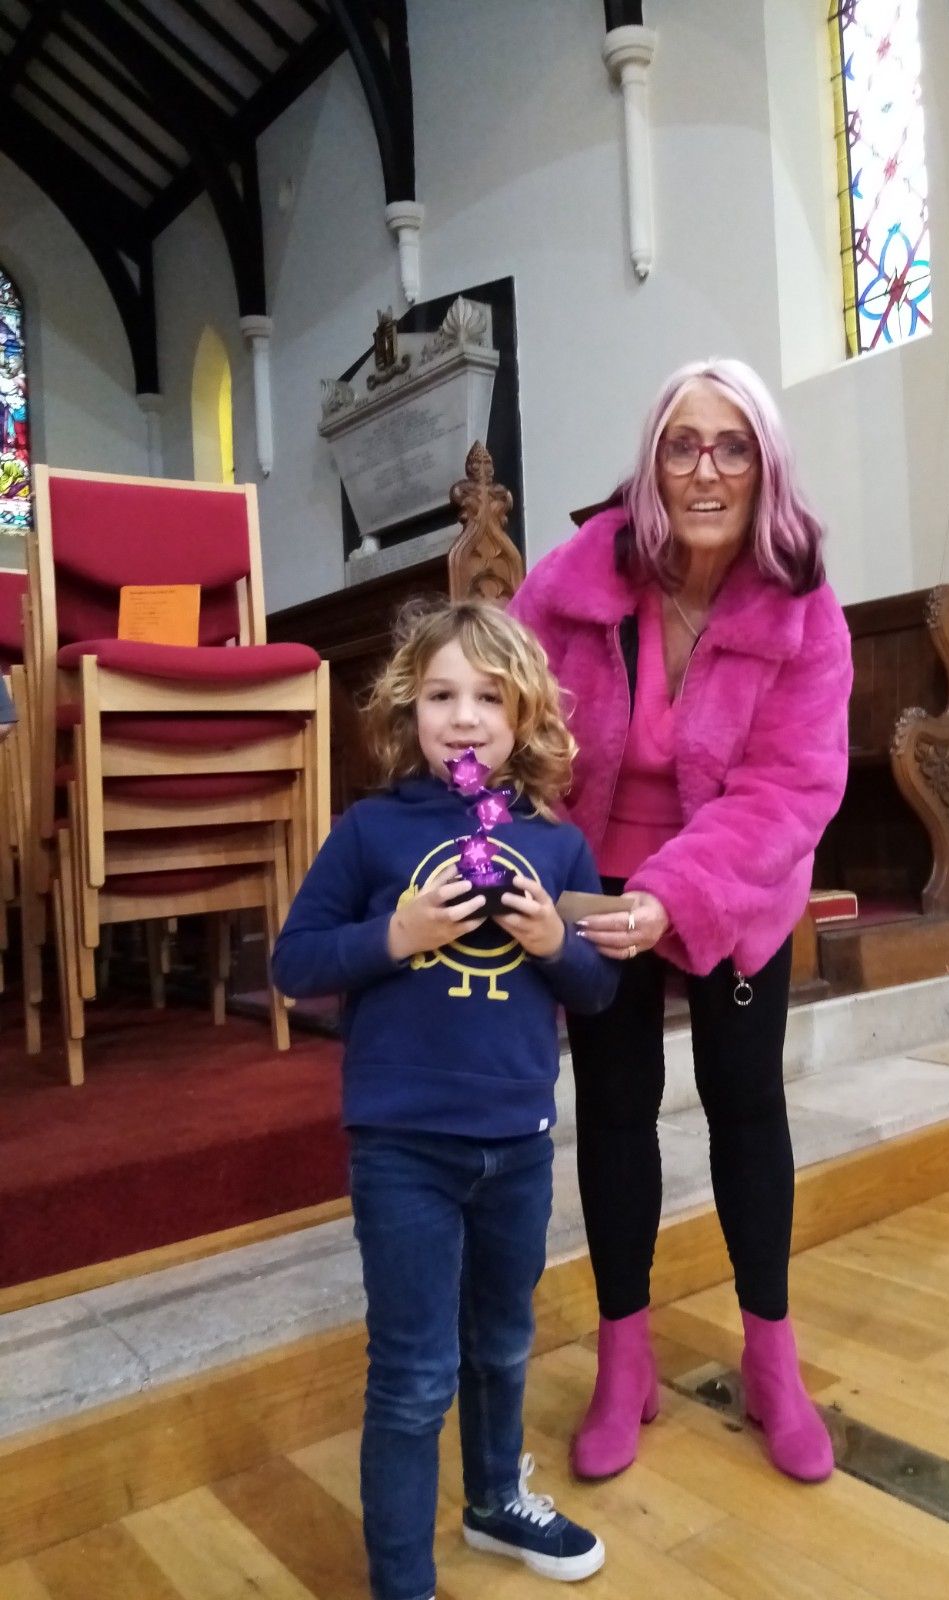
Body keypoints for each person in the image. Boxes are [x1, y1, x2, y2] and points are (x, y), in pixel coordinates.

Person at [510, 358, 852, 1485]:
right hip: (604, 878)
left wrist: (681, 892)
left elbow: (790, 789)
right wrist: (555, 872)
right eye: (682, 445)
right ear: (652, 465)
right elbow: (517, 734)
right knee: (612, 1109)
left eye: (732, 446)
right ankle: (625, 1360)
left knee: (745, 1101)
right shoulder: (573, 586)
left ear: (764, 466)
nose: (706, 468)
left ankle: (772, 1359)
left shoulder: (804, 610)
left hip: (736, 882)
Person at [272, 599, 617, 1600]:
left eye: (488, 697)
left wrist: (559, 943)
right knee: (415, 1372)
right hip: (403, 1146)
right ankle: (403, 1580)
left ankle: (495, 1498)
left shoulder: (554, 844)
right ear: (405, 707)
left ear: (526, 716)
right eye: (440, 695)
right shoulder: (373, 831)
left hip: (518, 1137)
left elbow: (595, 994)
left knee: (504, 1337)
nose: (463, 717)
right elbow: (296, 961)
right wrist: (398, 932)